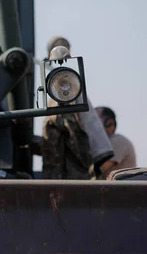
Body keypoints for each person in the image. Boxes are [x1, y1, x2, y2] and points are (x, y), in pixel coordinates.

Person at [36, 37, 114, 180]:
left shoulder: (70, 89)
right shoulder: (60, 90)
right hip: (59, 169)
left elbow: (72, 127)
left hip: (70, 172)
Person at [95, 106, 137, 178]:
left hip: (120, 188)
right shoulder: (107, 143)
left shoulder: (117, 141)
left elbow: (96, 170)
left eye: (95, 118)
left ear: (109, 123)